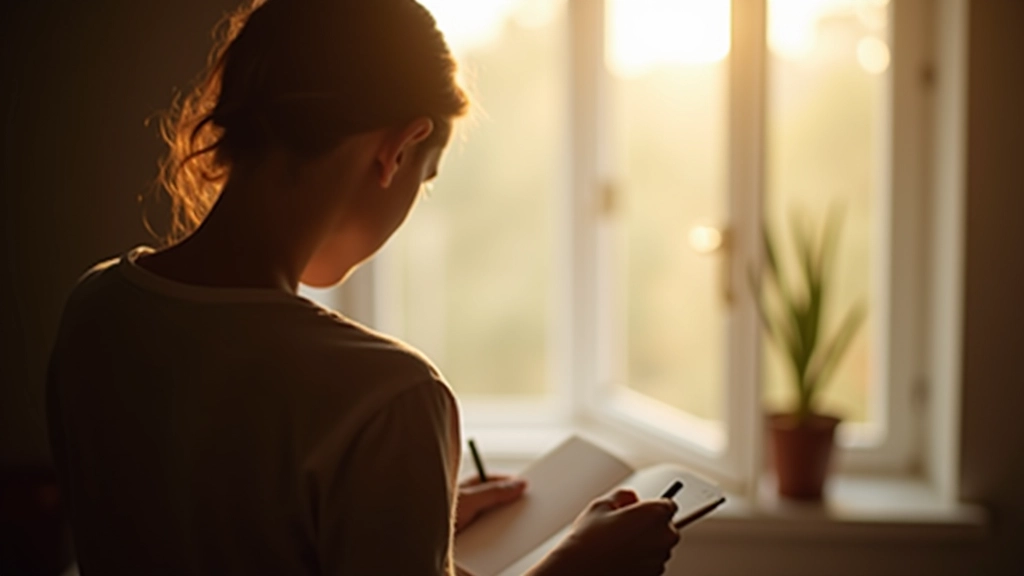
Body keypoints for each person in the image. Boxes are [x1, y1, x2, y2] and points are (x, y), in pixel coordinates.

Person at [46, 0, 681, 574]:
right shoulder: (387, 397)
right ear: (399, 149)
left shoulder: (95, 310)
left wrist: (398, 514)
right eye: (425, 179)